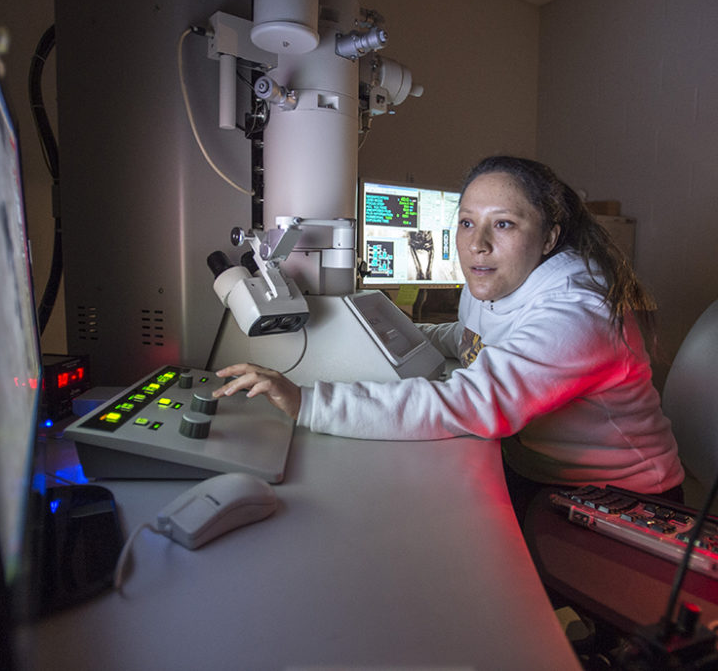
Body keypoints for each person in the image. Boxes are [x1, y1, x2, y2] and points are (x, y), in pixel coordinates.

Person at [213, 155, 684, 518]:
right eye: (466, 222)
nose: (477, 243)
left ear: (548, 237)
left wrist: (309, 403)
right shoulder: (500, 278)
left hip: (621, 497)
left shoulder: (579, 311)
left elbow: (476, 402)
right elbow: (469, 337)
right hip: (535, 470)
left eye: (503, 223)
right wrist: (395, 333)